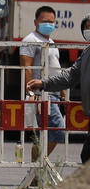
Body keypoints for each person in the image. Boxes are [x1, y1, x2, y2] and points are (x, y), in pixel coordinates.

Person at [27, 14, 90, 164]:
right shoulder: (87, 53)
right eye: (87, 27)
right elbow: (69, 76)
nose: (89, 30)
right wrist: (44, 84)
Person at [19, 6, 67, 160]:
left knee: (45, 133)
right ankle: (37, 163)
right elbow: (27, 68)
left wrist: (63, 92)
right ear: (36, 22)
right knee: (58, 130)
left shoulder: (51, 42)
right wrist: (31, 93)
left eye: (52, 22)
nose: (49, 24)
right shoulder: (30, 40)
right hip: (42, 94)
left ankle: (36, 168)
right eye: (45, 21)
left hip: (54, 94)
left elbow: (55, 69)